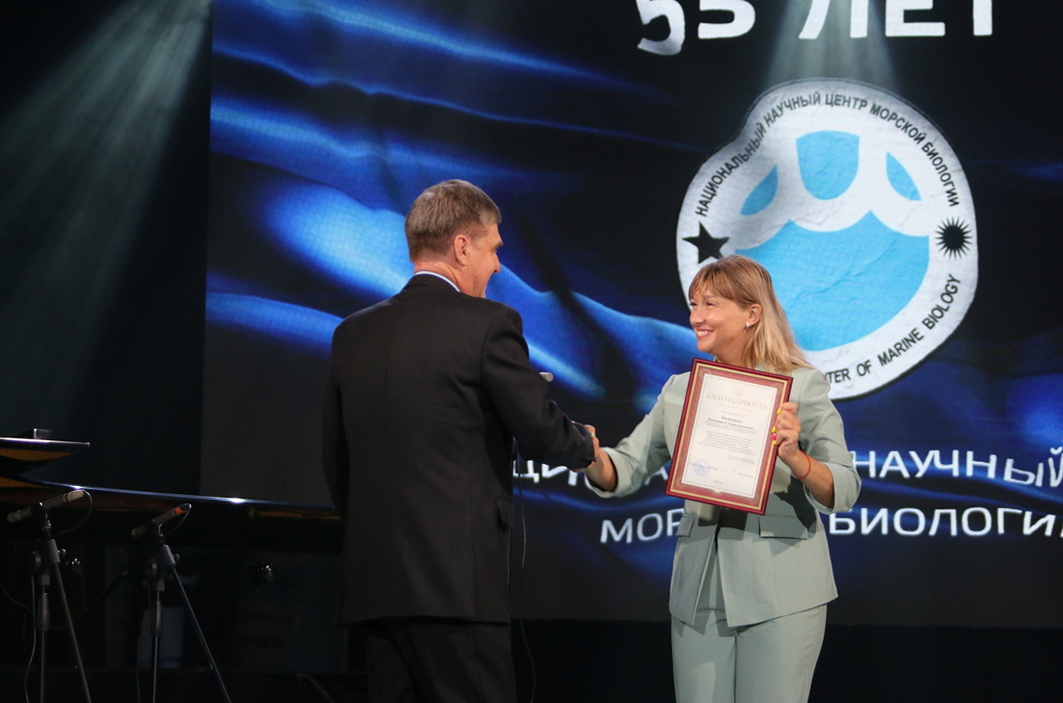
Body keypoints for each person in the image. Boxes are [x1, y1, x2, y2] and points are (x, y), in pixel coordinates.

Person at [322, 179, 595, 703]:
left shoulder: (351, 334)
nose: (498, 266)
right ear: (462, 247)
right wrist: (583, 443)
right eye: (493, 249)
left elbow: (337, 460)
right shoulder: (488, 324)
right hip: (455, 586)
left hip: (375, 588)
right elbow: (539, 430)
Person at [583, 255, 860, 703]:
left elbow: (844, 489)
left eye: (710, 304)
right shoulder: (679, 391)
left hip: (780, 591)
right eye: (694, 304)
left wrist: (795, 456)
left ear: (752, 313)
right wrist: (587, 454)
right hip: (699, 593)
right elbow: (626, 467)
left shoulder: (800, 386)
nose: (696, 317)